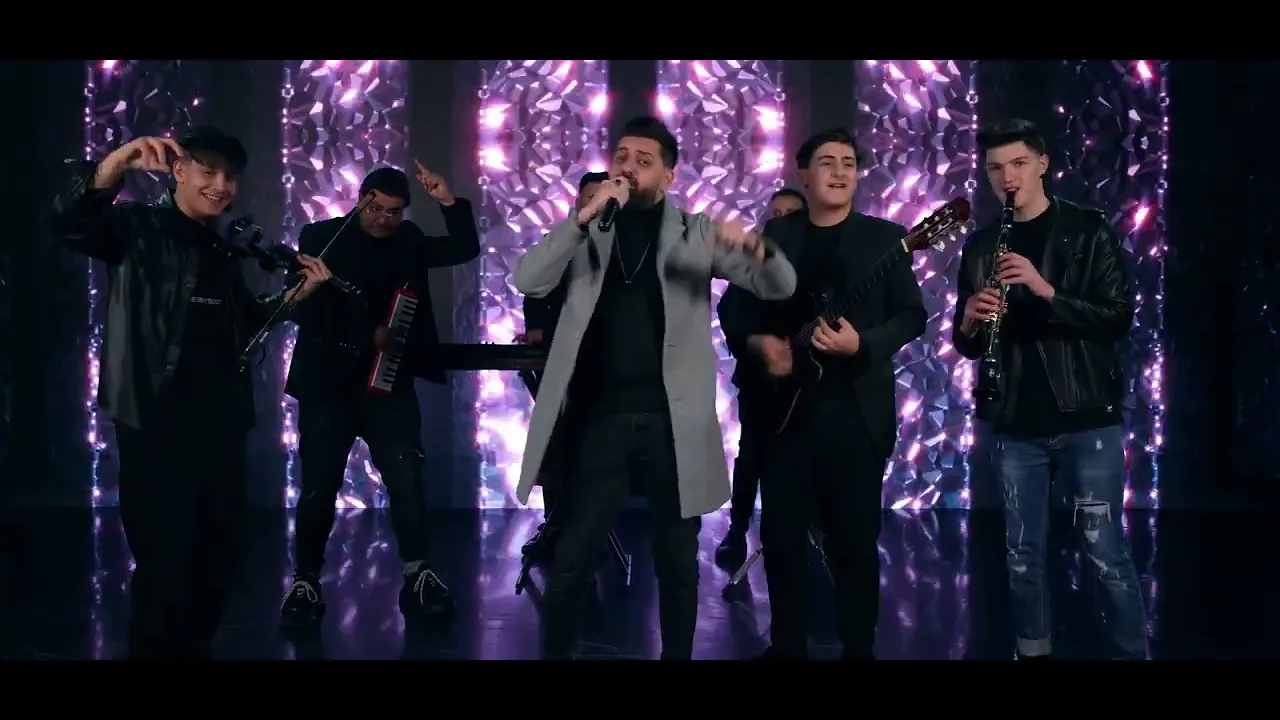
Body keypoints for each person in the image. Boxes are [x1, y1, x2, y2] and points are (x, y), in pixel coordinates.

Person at [513, 116, 796, 659]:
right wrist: (581, 219)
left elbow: (779, 285)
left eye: (644, 161)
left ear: (669, 175)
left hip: (672, 424)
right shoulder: (589, 231)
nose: (629, 168)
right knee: (572, 558)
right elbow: (529, 279)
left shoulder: (695, 232)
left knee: (677, 564)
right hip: (599, 419)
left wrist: (756, 248)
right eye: (622, 157)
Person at [50, 127, 333, 659]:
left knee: (220, 558)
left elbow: (246, 325)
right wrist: (117, 162)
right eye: (209, 172)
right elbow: (71, 223)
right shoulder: (137, 227)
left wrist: (299, 295)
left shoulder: (224, 247)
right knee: (166, 567)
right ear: (179, 171)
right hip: (156, 423)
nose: (221, 186)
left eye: (230, 177)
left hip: (221, 424)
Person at [721, 128, 926, 660]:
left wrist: (864, 344)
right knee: (782, 540)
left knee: (855, 542)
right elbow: (733, 308)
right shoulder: (777, 235)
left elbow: (912, 316)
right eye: (827, 162)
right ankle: (786, 645)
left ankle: (859, 647)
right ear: (804, 175)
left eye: (849, 163)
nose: (840, 172)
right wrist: (760, 344)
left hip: (856, 416)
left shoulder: (885, 238)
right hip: (785, 415)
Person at [952, 118, 1148, 660]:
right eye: (995, 168)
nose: (1006, 177)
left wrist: (1045, 291)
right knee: (1021, 557)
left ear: (1043, 164)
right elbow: (968, 345)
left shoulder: (1086, 229)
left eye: (1018, 163)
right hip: (1015, 424)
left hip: (1088, 420)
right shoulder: (981, 246)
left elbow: (1116, 317)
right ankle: (1033, 652)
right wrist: (969, 320)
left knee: (1105, 555)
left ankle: (1132, 654)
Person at [281, 162, 480, 626]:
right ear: (360, 200)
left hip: (387, 384)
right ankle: (305, 581)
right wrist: (367, 333)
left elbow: (463, 248)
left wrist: (447, 201)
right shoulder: (320, 236)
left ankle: (418, 574)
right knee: (319, 487)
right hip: (327, 385)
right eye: (376, 209)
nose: (383, 219)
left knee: (407, 479)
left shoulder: (409, 239)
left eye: (393, 212)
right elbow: (303, 306)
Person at [517, 170, 609, 562]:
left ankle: (592, 528)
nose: (596, 205)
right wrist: (536, 328)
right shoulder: (560, 241)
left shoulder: (625, 246)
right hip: (559, 355)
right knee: (557, 445)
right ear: (578, 202)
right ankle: (555, 525)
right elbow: (535, 287)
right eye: (590, 198)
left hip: (605, 363)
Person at [715, 187, 808, 570]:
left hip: (810, 383)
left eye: (790, 215)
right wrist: (757, 343)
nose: (781, 222)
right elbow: (729, 310)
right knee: (751, 455)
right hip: (759, 382)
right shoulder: (751, 265)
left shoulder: (816, 259)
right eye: (776, 215)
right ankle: (737, 531)